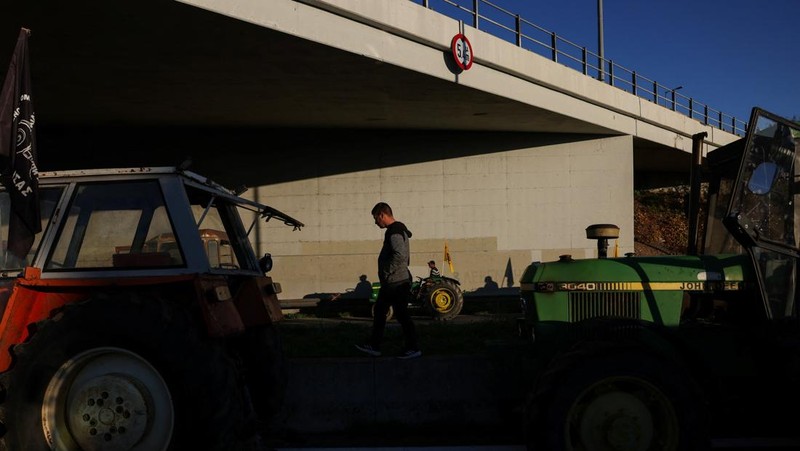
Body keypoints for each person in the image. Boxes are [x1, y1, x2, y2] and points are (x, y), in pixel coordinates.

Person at [355, 202, 421, 359]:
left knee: (400, 314)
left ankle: (413, 348)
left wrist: (386, 271)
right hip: (394, 281)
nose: (375, 222)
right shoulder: (397, 230)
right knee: (381, 312)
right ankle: (375, 345)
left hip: (396, 282)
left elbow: (400, 255)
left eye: (375, 218)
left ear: (382, 215)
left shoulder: (394, 232)